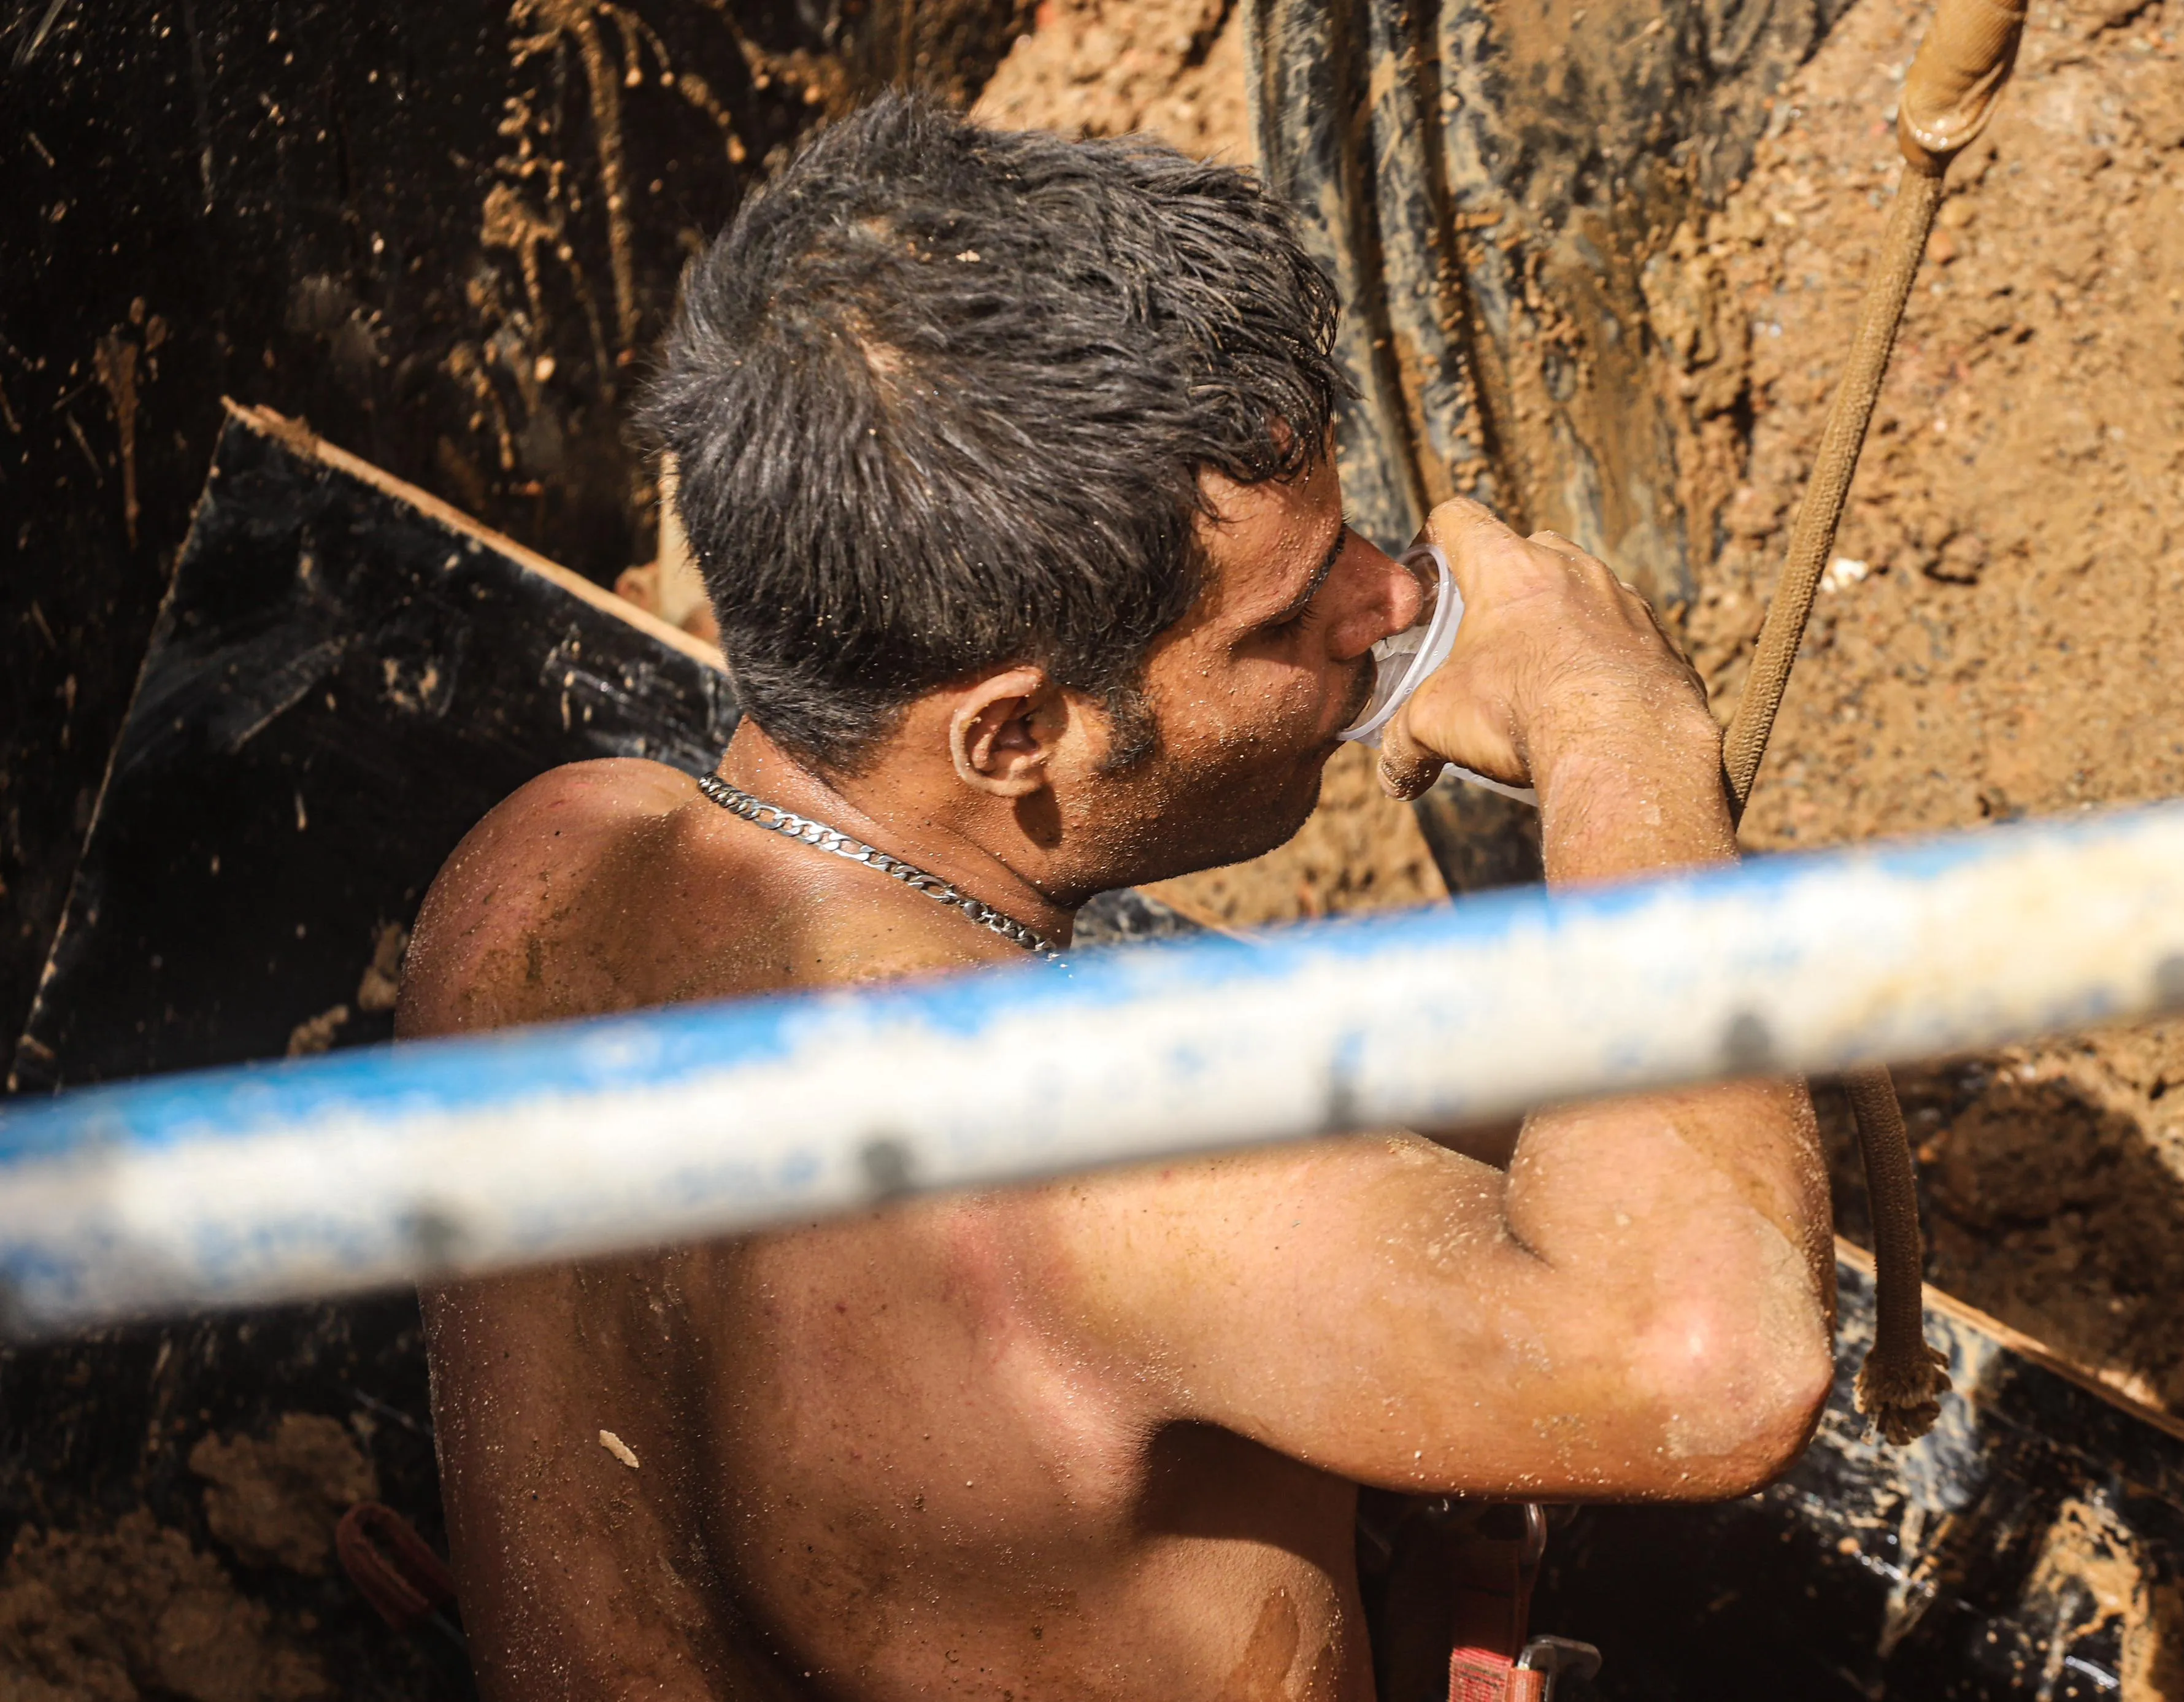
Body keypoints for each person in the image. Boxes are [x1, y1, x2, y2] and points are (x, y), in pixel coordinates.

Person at [398, 94, 1832, 1700]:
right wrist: (1617, 731)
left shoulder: (544, 865)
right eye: (1294, 614)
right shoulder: (1116, 1127)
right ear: (1016, 734)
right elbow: (1711, 1361)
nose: (1390, 599)